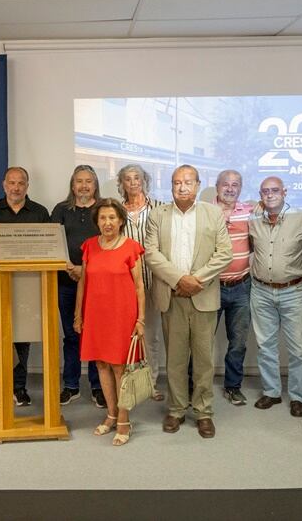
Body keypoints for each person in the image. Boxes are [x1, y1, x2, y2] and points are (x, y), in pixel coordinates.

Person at [145, 165, 232, 438]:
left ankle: (204, 412)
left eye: (187, 182)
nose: (182, 187)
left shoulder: (213, 213)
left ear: (197, 185)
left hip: (203, 296)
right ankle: (176, 409)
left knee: (205, 360)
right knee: (176, 360)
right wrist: (179, 280)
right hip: (172, 297)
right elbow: (151, 253)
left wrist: (197, 279)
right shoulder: (158, 215)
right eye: (176, 182)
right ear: (171, 186)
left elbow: (224, 252)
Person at [74, 198, 144, 446]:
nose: (107, 222)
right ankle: (111, 414)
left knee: (119, 368)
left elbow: (139, 286)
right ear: (97, 222)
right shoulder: (89, 246)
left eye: (112, 218)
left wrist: (141, 319)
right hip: (95, 314)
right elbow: (83, 281)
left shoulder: (131, 247)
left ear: (121, 220)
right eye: (103, 218)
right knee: (101, 364)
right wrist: (78, 314)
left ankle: (124, 420)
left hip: (122, 316)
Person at [0, 167, 50, 406]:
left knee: (23, 339)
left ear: (27, 186)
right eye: (11, 183)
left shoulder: (40, 213)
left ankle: (19, 387)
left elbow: (49, 248)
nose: (16, 188)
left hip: (29, 287)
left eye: (20, 183)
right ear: (4, 185)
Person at [248, 176, 302, 417]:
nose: (270, 195)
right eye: (265, 191)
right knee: (266, 346)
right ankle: (272, 392)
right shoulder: (254, 222)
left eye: (275, 190)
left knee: (298, 349)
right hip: (261, 291)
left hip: (293, 291)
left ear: (285, 192)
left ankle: (297, 396)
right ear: (260, 195)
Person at [52, 164, 104, 407]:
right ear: (72, 185)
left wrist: (85, 270)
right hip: (65, 281)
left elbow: (109, 243)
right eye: (79, 181)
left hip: (97, 284)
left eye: (88, 182)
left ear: (95, 185)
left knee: (95, 335)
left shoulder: (104, 210)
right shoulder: (61, 210)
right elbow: (52, 243)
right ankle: (71, 385)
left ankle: (97, 386)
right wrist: (70, 267)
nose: (84, 186)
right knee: (71, 335)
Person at [117, 164, 164, 401]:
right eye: (127, 179)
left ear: (144, 181)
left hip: (154, 281)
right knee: (126, 335)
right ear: (122, 184)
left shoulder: (159, 208)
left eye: (137, 178)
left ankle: (152, 383)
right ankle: (129, 382)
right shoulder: (116, 211)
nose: (133, 182)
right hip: (125, 284)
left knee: (150, 336)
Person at [213, 170, 255, 406]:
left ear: (240, 188)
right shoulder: (205, 212)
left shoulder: (249, 212)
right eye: (225, 184)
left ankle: (232, 386)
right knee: (200, 340)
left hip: (241, 286)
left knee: (238, 341)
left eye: (235, 185)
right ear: (217, 186)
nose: (230, 188)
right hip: (211, 287)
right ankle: (192, 385)